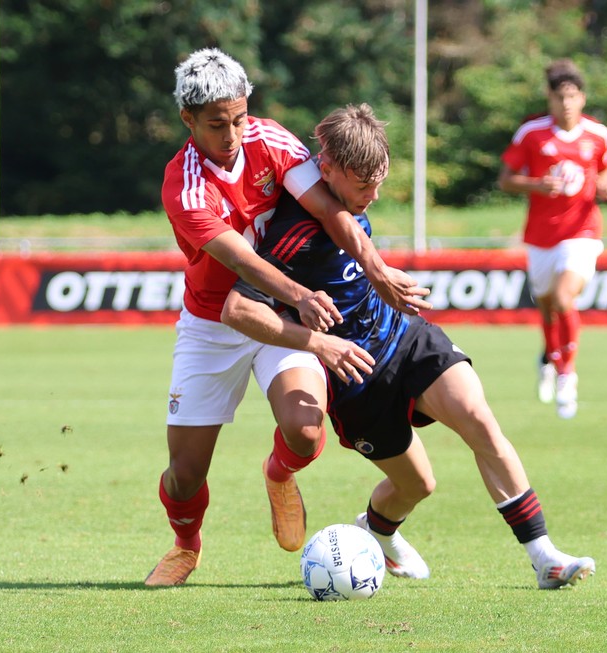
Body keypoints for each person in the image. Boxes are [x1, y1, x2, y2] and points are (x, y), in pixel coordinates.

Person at [221, 103, 595, 589]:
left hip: (405, 336)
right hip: (355, 377)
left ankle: (544, 556)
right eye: (363, 187)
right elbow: (238, 310)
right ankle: (376, 532)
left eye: (380, 184)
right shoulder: (292, 235)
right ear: (326, 168)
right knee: (418, 485)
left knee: (479, 418)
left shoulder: (345, 199)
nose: (373, 198)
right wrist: (317, 342)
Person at [146, 48, 429, 586]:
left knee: (303, 429)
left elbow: (329, 208)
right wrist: (301, 294)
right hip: (214, 324)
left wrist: (376, 269)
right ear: (188, 120)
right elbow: (242, 261)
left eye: (239, 118)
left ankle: (279, 476)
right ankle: (185, 546)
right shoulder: (183, 186)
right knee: (184, 476)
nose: (232, 134)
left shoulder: (271, 140)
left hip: (280, 315)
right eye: (216, 124)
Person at [497, 58, 607, 419]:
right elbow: (505, 179)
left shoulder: (599, 135)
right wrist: (535, 184)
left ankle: (567, 373)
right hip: (540, 236)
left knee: (565, 298)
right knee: (548, 306)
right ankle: (548, 356)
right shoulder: (532, 134)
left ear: (582, 98)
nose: (566, 103)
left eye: (573, 95)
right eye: (559, 96)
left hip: (582, 233)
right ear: (549, 99)